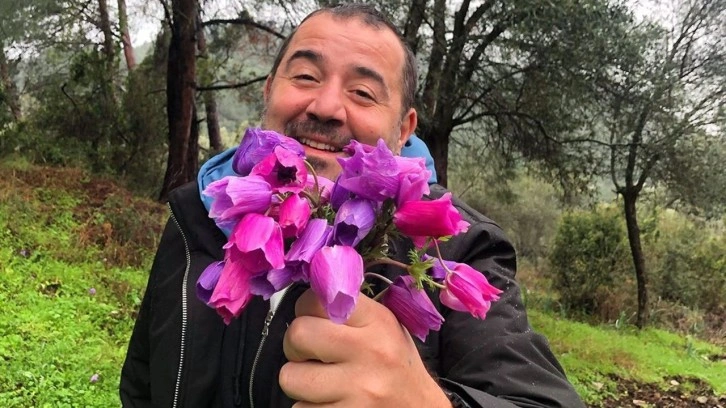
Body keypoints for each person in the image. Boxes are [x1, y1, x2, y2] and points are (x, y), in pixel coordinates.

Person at [120, 4, 585, 407]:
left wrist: (424, 402)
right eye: (306, 76)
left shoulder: (460, 246)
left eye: (363, 93)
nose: (326, 107)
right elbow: (141, 386)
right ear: (269, 91)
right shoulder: (197, 213)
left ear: (403, 130)